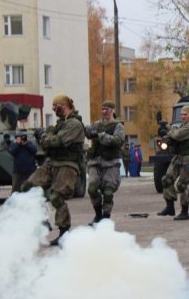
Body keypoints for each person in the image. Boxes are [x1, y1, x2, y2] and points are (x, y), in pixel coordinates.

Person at [21, 94, 85, 246]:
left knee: (56, 196)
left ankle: (64, 233)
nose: (54, 109)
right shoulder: (60, 124)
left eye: (56, 106)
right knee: (29, 187)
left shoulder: (74, 124)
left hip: (67, 163)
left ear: (64, 106)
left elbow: (57, 141)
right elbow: (48, 144)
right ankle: (43, 221)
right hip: (52, 162)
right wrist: (44, 136)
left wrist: (43, 135)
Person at [84, 100, 125, 225]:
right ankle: (98, 215)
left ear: (112, 110)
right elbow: (88, 132)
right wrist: (86, 130)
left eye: (107, 109)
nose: (104, 112)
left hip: (111, 162)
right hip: (95, 162)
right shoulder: (97, 124)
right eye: (102, 109)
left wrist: (102, 136)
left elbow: (118, 140)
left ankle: (106, 217)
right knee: (91, 188)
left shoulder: (118, 126)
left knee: (108, 191)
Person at [157, 105, 189, 220]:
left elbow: (177, 135)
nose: (183, 117)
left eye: (185, 114)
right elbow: (172, 137)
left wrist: (170, 129)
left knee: (182, 184)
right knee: (166, 179)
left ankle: (185, 212)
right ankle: (170, 207)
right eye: (181, 115)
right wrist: (166, 136)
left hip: (188, 158)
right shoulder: (181, 126)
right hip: (177, 157)